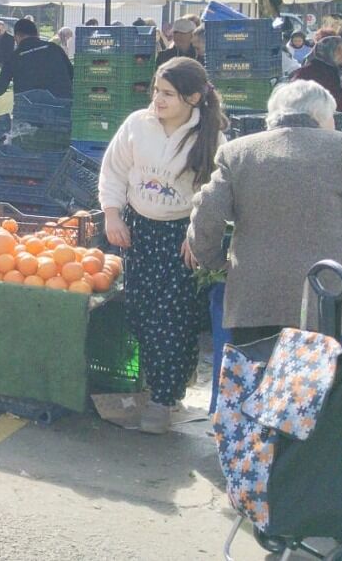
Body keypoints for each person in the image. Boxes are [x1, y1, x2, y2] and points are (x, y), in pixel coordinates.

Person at [189, 80, 342, 350]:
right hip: (324, 299)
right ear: (319, 115)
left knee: (257, 387)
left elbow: (207, 211)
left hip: (254, 299)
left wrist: (215, 261)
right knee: (318, 389)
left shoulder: (237, 153)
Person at [99, 58, 228, 434]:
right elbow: (114, 170)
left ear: (193, 97)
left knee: (172, 320)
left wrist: (198, 234)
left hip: (181, 240)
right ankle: (166, 386)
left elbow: (216, 194)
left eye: (168, 93)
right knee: (140, 312)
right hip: (139, 232)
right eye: (156, 90)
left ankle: (162, 400)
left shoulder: (211, 138)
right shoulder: (137, 125)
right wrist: (112, 215)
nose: (158, 99)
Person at [291, 35, 342, 135]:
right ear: (325, 51)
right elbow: (292, 99)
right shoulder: (308, 72)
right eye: (337, 50)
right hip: (317, 132)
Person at [0, 19, 73, 100]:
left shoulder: (15, 57)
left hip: (29, 108)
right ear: (37, 34)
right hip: (60, 105)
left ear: (17, 37)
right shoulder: (54, 48)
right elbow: (71, 73)